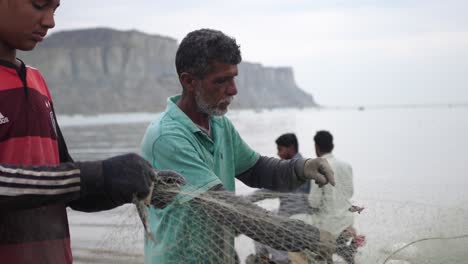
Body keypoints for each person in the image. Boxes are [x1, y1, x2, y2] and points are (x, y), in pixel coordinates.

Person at [0, 1, 182, 263]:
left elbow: (66, 186)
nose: (50, 21)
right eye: (39, 5)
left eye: (55, 9)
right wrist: (97, 175)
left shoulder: (36, 81)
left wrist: (132, 186)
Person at [141, 28, 336, 264]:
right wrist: (307, 236)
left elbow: (255, 169)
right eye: (221, 81)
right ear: (190, 81)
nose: (233, 90)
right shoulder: (167, 138)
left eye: (234, 77)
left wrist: (301, 167)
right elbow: (227, 207)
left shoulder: (219, 125)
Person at [290, 130, 364, 264]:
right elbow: (350, 193)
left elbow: (314, 202)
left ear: (316, 147)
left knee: (292, 222)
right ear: (332, 146)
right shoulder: (347, 166)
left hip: (328, 223)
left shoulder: (318, 166)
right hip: (347, 221)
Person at [248, 133, 312, 264]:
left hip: (289, 217)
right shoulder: (306, 166)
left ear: (290, 148)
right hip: (306, 216)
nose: (278, 154)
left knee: (257, 224)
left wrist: (241, 200)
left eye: (280, 149)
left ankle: (275, 260)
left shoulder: (287, 169)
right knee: (269, 215)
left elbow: (266, 192)